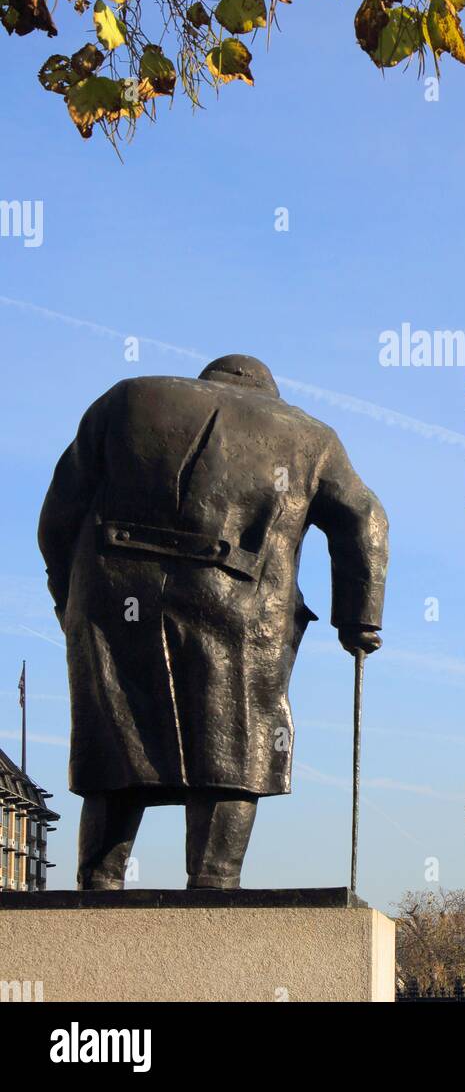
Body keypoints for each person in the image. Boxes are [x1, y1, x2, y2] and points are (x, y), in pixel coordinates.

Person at [38, 354, 388, 890]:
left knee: (118, 736)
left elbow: (57, 514)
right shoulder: (309, 435)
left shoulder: (127, 397)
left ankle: (100, 883)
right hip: (241, 606)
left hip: (111, 595)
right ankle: (214, 882)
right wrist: (358, 621)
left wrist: (70, 598)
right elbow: (365, 519)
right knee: (236, 741)